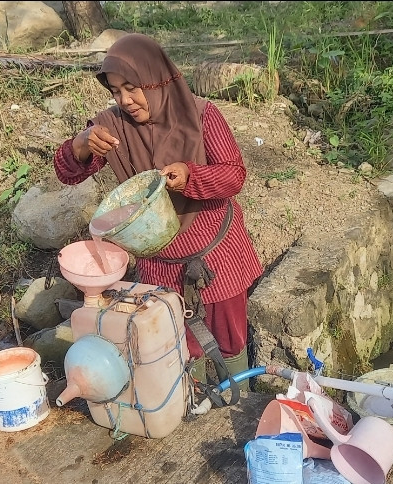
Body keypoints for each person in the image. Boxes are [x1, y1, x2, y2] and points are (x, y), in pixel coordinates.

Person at [52, 33, 263, 387]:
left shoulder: (202, 116)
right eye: (116, 90)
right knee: (178, 341)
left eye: (132, 87)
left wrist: (189, 175)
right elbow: (68, 173)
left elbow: (233, 175)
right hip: (159, 261)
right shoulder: (112, 127)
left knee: (230, 336)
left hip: (215, 251)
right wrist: (82, 144)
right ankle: (192, 402)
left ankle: (240, 402)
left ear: (157, 79)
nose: (125, 100)